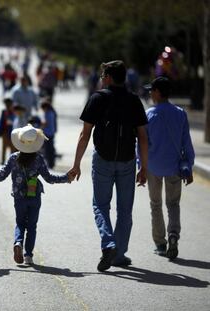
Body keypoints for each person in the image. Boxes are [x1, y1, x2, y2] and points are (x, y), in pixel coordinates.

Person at [69, 60, 149, 272]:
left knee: (100, 205)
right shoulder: (134, 100)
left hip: (103, 159)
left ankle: (108, 244)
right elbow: (142, 137)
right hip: (128, 160)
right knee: (125, 210)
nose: (101, 78)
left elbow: (85, 134)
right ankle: (119, 254)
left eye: (103, 75)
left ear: (110, 77)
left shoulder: (98, 98)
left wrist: (76, 164)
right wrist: (144, 167)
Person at [0, 124, 72, 265]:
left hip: (19, 197)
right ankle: (28, 255)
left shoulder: (13, 158)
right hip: (34, 195)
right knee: (32, 226)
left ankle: (18, 242)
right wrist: (66, 178)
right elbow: (49, 178)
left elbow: (1, 175)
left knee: (20, 223)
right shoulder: (38, 159)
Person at [143, 77, 195, 260]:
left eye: (151, 90)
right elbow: (186, 143)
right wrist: (189, 165)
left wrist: (140, 166)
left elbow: (141, 143)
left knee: (155, 204)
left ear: (157, 92)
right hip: (174, 166)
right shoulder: (180, 113)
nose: (149, 93)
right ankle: (173, 235)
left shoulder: (149, 115)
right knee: (173, 204)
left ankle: (160, 243)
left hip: (152, 166)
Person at [0, 97, 16, 164]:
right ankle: (2, 161)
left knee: (12, 148)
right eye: (6, 104)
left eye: (9, 104)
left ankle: (12, 161)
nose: (8, 105)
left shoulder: (14, 112)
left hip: (12, 132)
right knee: (4, 148)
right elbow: (1, 122)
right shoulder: (4, 112)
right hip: (5, 132)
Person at [41, 99, 57, 169]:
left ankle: (49, 163)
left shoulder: (48, 113)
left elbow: (45, 123)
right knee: (51, 148)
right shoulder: (52, 112)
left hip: (47, 133)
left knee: (47, 149)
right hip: (51, 132)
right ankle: (51, 163)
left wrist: (40, 127)